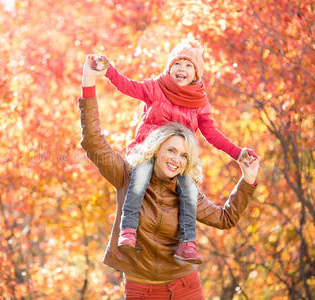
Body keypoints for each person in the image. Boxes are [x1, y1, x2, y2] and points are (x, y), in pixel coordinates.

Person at [80, 55, 260, 299]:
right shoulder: (127, 175)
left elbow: (225, 218)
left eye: (184, 156)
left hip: (185, 286)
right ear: (156, 149)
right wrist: (89, 83)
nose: (177, 160)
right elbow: (94, 142)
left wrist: (247, 181)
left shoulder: (186, 190)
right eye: (171, 151)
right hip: (141, 289)